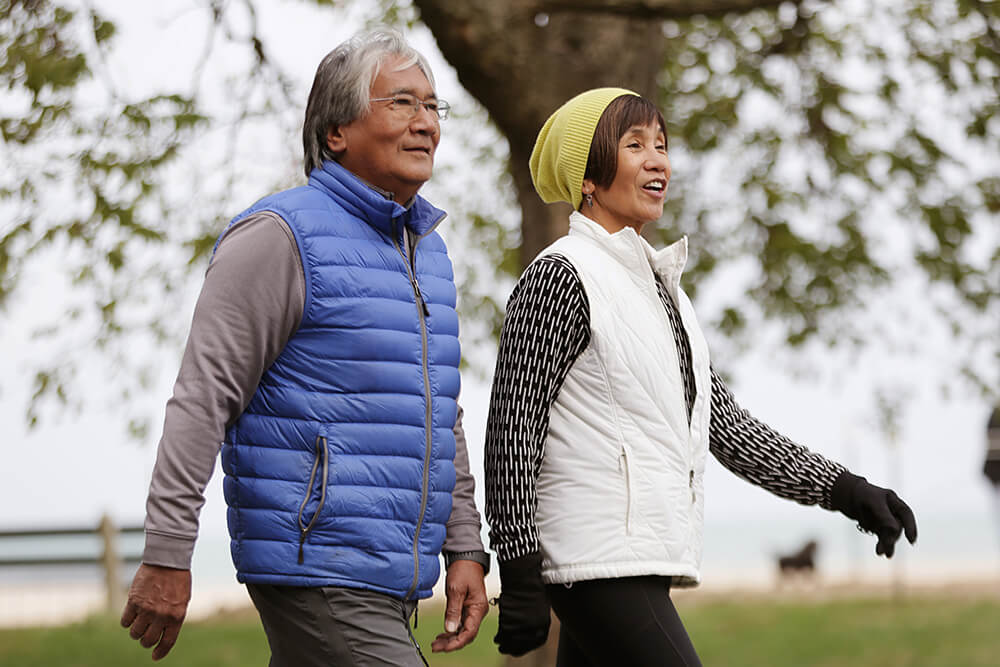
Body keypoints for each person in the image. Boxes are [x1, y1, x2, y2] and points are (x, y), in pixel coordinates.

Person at [484, 88, 918, 666]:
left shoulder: (666, 297)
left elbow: (727, 428)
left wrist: (845, 491)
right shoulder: (561, 276)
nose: (658, 159)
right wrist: (517, 569)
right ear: (587, 176)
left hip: (637, 560)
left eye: (661, 145)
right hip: (597, 562)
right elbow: (513, 425)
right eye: (635, 144)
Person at [120, 28, 490, 666]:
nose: (426, 122)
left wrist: (463, 546)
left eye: (433, 106)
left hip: (388, 576)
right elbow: (203, 396)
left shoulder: (425, 249)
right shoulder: (278, 235)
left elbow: (435, 405)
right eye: (402, 103)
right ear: (335, 132)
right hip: (316, 565)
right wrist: (168, 550)